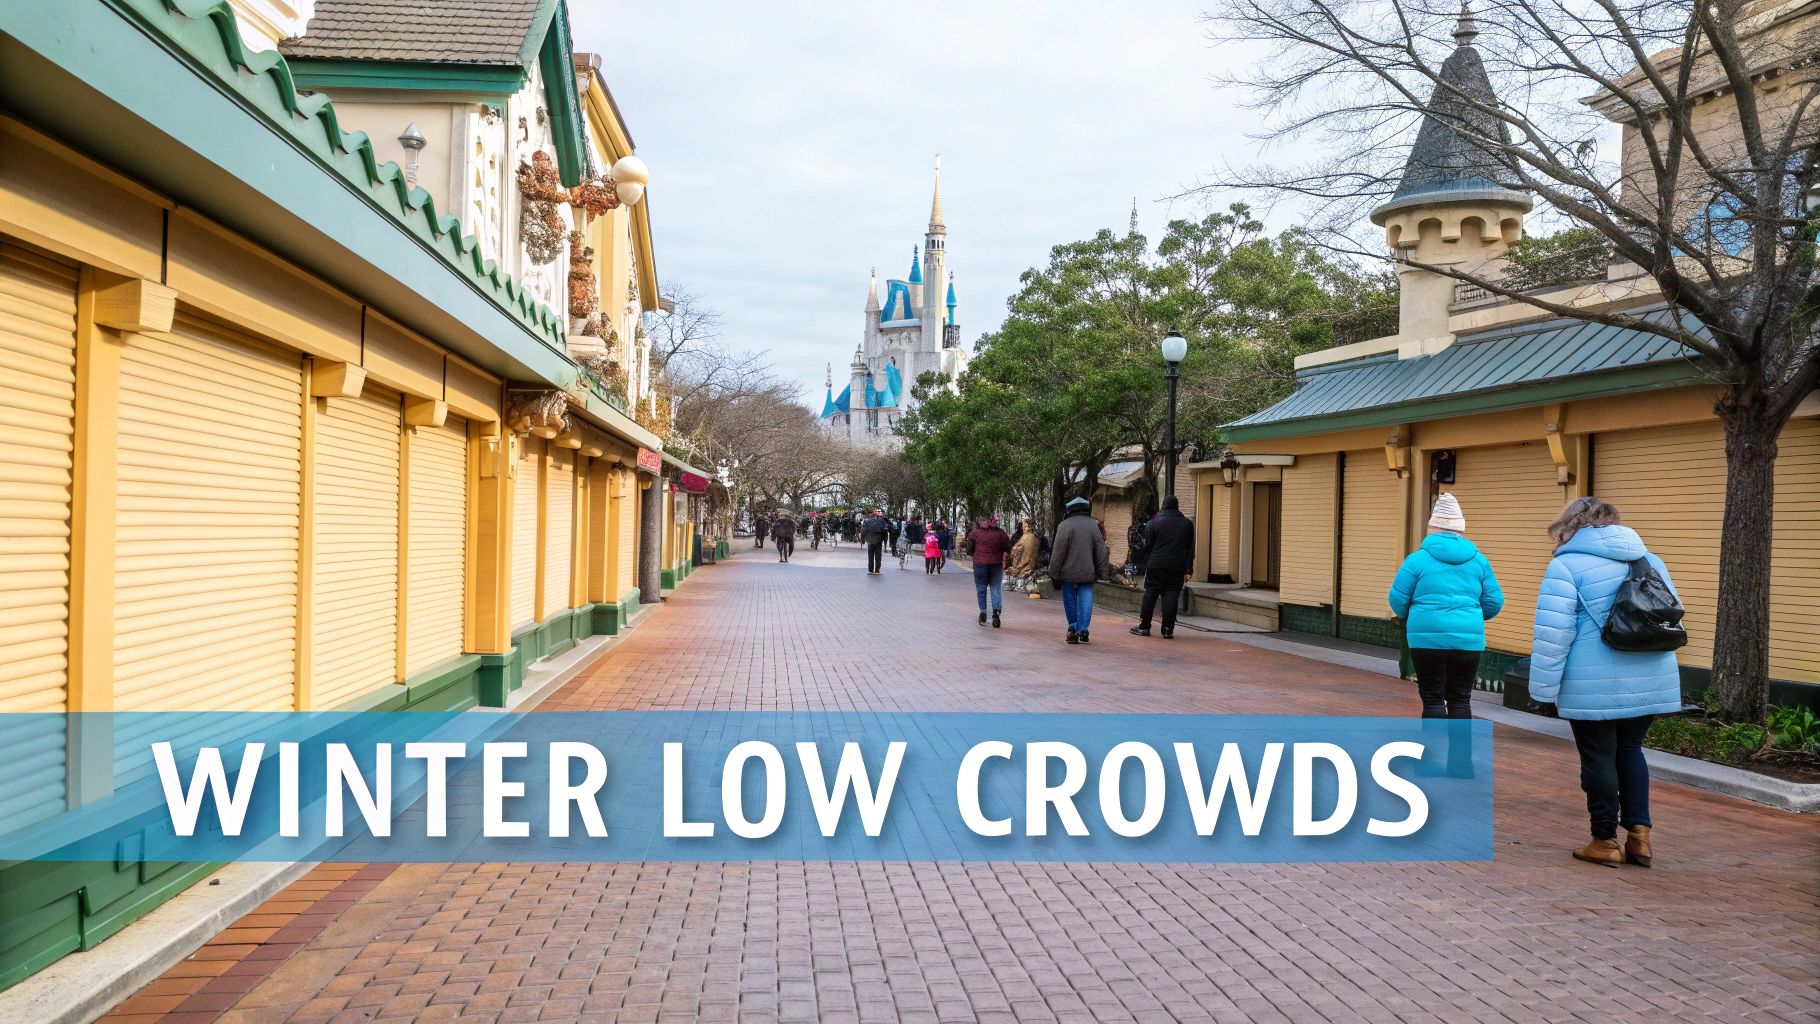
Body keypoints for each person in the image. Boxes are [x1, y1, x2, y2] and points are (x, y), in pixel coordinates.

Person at [1529, 496, 1684, 869]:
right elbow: (1670, 613)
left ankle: (1604, 840)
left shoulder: (1566, 565)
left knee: (1598, 756)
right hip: (1651, 672)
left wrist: (1542, 690)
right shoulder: (1650, 560)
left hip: (1591, 680)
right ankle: (1640, 836)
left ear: (1569, 525)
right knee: (1630, 750)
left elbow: (1553, 635)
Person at [1386, 493, 1504, 718]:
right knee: (1461, 700)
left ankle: (1433, 742)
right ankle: (1460, 743)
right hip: (1468, 641)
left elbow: (1398, 599)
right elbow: (1494, 602)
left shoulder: (1416, 560)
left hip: (1425, 640)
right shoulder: (1479, 561)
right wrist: (1470, 617)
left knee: (1432, 700)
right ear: (1460, 530)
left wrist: (1409, 616)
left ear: (1432, 530)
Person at [1130, 496, 1195, 638]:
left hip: (1156, 565)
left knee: (1151, 594)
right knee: (1172, 596)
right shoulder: (1187, 524)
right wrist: (1189, 568)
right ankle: (1167, 629)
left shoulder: (1154, 523)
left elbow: (1147, 547)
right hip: (1177, 566)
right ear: (1177, 506)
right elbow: (1190, 548)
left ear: (1163, 506)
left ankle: (1144, 627)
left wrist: (1148, 562)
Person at [1049, 496, 1107, 644]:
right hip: (1088, 572)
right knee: (1086, 599)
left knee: (1070, 601)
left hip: (1068, 573)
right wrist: (1102, 572)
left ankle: (1073, 628)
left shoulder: (1064, 525)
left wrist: (1054, 573)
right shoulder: (1094, 525)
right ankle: (1084, 628)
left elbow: (1058, 553)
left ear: (1069, 510)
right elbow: (1101, 550)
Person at [962, 515, 1013, 627]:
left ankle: (983, 613)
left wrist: (978, 556)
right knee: (995, 588)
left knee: (981, 589)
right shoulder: (1001, 533)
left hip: (980, 565)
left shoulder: (974, 533)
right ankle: (996, 613)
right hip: (996, 564)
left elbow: (969, 550)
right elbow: (1007, 547)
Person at [1007, 522, 1040, 591]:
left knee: (1022, 584)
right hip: (1032, 566)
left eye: (1023, 527)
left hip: (1022, 568)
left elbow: (1014, 550)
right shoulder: (1035, 537)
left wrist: (1012, 556)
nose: (1022, 528)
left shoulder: (1024, 537)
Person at [859, 508, 891, 574]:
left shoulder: (867, 520)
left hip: (870, 540)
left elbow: (863, 531)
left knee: (870, 556)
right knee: (878, 556)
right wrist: (884, 540)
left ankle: (870, 570)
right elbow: (885, 531)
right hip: (879, 540)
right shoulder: (882, 520)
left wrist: (862, 539)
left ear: (871, 513)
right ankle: (877, 570)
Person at [1126, 509, 1152, 579]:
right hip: (1136, 557)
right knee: (1132, 577)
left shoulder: (1147, 528)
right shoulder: (1133, 528)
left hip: (1142, 558)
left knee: (1140, 576)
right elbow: (1131, 543)